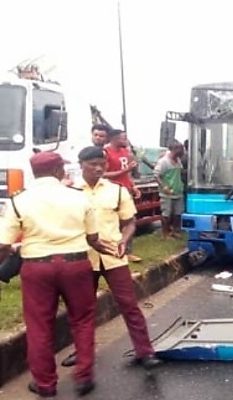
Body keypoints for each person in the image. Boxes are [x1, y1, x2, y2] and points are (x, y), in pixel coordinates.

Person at [0, 152, 113, 397]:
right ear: (58, 171)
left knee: (39, 325)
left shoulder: (19, 200)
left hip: (36, 267)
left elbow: (4, 244)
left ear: (34, 172)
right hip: (76, 264)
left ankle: (45, 384)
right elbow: (93, 237)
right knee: (82, 320)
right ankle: (84, 377)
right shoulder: (78, 197)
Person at [62, 146, 161, 370]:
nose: (98, 168)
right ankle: (82, 351)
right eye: (92, 164)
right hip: (82, 257)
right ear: (81, 165)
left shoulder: (117, 191)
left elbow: (129, 222)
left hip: (114, 257)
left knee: (129, 304)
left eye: (102, 163)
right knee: (81, 308)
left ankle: (144, 351)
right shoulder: (70, 192)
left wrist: (124, 241)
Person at [104, 128, 142, 262]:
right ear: (114, 138)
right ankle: (113, 249)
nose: (125, 140)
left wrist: (133, 186)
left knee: (130, 221)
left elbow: (128, 174)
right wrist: (125, 170)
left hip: (126, 191)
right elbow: (103, 174)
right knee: (115, 223)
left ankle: (127, 251)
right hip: (112, 191)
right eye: (123, 138)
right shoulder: (106, 152)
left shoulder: (125, 152)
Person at [154, 141, 185, 238]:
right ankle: (165, 234)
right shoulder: (163, 161)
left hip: (178, 191)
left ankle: (176, 231)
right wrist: (164, 187)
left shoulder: (178, 160)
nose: (181, 151)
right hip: (167, 193)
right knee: (166, 214)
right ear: (173, 150)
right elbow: (157, 175)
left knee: (178, 213)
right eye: (179, 149)